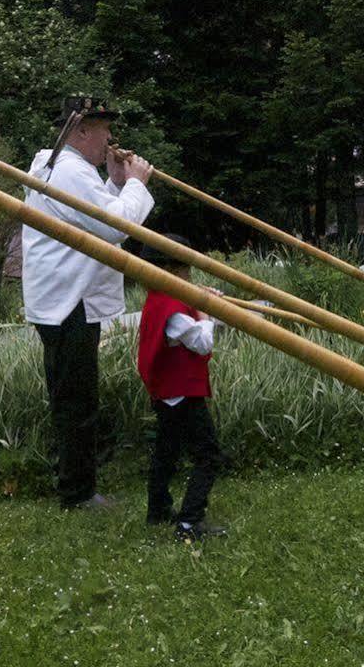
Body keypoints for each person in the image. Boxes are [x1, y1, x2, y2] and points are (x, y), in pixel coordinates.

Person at [20, 95, 155, 510]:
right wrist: (136, 182)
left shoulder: (68, 168)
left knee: (74, 396)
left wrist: (115, 182)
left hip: (65, 298)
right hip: (68, 301)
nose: (110, 138)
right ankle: (76, 493)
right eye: (103, 130)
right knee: (75, 400)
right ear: (80, 131)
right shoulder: (69, 171)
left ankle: (76, 484)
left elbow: (97, 216)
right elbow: (114, 227)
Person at [133, 239, 228, 540]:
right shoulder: (172, 310)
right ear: (169, 270)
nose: (189, 276)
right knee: (208, 455)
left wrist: (202, 304)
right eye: (185, 268)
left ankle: (158, 509)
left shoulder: (160, 299)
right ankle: (188, 523)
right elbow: (202, 342)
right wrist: (207, 314)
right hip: (181, 394)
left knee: (167, 451)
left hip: (168, 392)